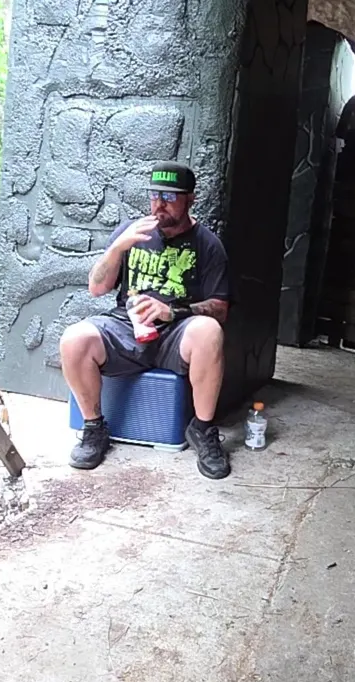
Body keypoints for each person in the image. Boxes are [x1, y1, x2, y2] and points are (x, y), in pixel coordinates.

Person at [59, 161, 232, 479]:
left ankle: (203, 430)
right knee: (74, 338)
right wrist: (117, 248)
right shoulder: (131, 232)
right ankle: (94, 428)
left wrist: (173, 312)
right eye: (155, 195)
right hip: (126, 327)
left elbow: (220, 309)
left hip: (176, 332)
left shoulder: (208, 245)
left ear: (190, 199)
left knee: (209, 331)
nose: (160, 204)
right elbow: (96, 288)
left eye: (170, 196)